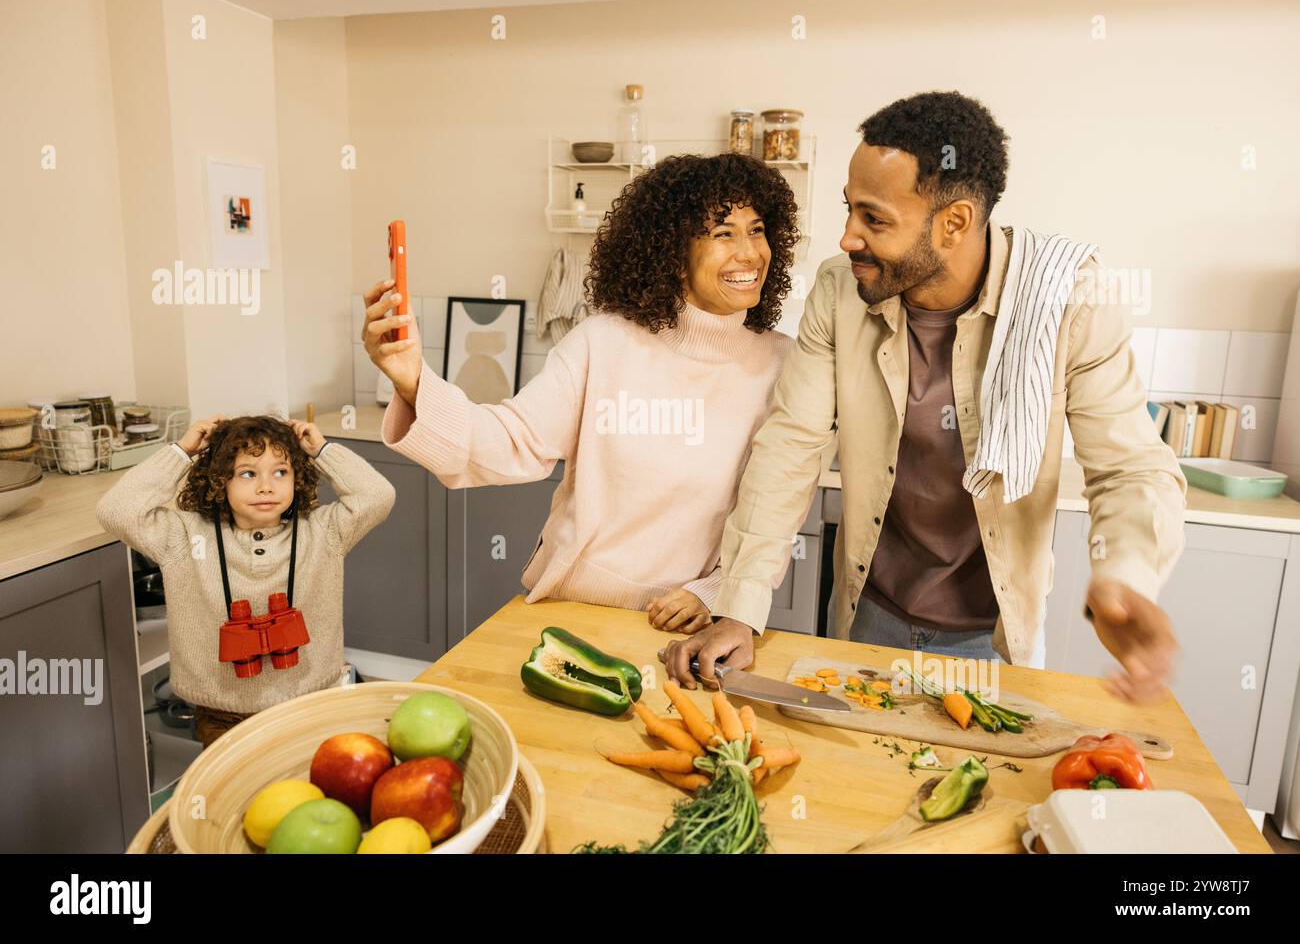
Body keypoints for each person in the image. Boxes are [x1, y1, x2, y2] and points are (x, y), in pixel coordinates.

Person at [663, 91, 1186, 704]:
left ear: (955, 222)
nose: (848, 237)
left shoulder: (1068, 297)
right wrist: (740, 609)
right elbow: (790, 445)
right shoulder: (838, 292)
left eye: (874, 219)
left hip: (991, 638)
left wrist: (1125, 577)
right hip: (867, 616)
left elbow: (1129, 467)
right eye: (849, 210)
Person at [363, 153, 800, 628]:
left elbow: (777, 510)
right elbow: (510, 443)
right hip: (575, 609)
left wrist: (717, 591)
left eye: (756, 230)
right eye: (723, 234)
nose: (750, 253)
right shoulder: (603, 342)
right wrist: (410, 378)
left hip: (691, 625)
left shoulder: (783, 364)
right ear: (674, 254)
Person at [96, 415, 395, 746]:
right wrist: (181, 451)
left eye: (280, 472)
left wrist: (323, 450)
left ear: (298, 478)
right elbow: (117, 510)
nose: (266, 486)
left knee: (304, 788)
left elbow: (378, 495)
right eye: (247, 473)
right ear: (220, 480)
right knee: (239, 794)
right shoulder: (184, 536)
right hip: (222, 712)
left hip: (306, 701)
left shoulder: (323, 532)